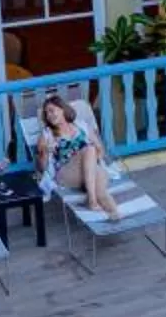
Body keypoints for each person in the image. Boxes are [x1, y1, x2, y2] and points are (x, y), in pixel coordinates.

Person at [35, 91, 121, 221]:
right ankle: (92, 200)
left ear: (63, 109)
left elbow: (100, 150)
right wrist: (46, 151)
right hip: (66, 174)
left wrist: (93, 158)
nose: (49, 115)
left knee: (101, 188)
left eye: (52, 111)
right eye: (47, 114)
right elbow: (42, 167)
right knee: (89, 149)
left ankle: (114, 214)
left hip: (90, 170)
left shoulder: (82, 125)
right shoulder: (47, 135)